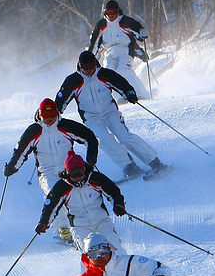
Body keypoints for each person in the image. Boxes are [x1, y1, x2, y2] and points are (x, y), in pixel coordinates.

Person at [56, 51, 168, 181]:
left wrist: (129, 93)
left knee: (124, 136)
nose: (88, 70)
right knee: (103, 138)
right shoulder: (73, 81)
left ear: (95, 63)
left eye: (91, 66)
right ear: (79, 66)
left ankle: (154, 162)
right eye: (85, 67)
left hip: (110, 112)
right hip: (91, 117)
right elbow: (60, 100)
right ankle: (129, 166)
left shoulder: (104, 74)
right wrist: (54, 112)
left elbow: (121, 83)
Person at [5, 98, 99, 244]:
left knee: (74, 196)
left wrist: (90, 160)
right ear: (40, 115)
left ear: (57, 113)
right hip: (46, 171)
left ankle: (84, 225)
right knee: (54, 194)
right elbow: (20, 151)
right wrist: (12, 167)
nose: (49, 119)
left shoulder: (66, 126)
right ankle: (62, 228)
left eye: (52, 116)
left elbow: (90, 138)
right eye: (46, 116)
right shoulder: (34, 131)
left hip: (68, 170)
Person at [36, 150, 125, 252]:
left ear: (84, 169)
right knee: (90, 252)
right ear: (67, 173)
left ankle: (123, 266)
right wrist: (43, 222)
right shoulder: (62, 187)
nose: (78, 178)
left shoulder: (95, 179)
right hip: (80, 226)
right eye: (73, 174)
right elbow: (50, 207)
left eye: (80, 173)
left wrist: (119, 205)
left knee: (114, 248)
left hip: (102, 221)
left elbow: (114, 192)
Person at [87, 0, 150, 99]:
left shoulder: (125, 22)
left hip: (125, 51)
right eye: (108, 12)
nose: (111, 15)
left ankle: (142, 94)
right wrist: (88, 57)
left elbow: (139, 31)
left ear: (117, 11)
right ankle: (116, 98)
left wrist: (142, 33)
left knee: (123, 70)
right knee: (108, 72)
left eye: (113, 12)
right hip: (109, 52)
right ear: (105, 12)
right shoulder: (101, 25)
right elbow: (94, 43)